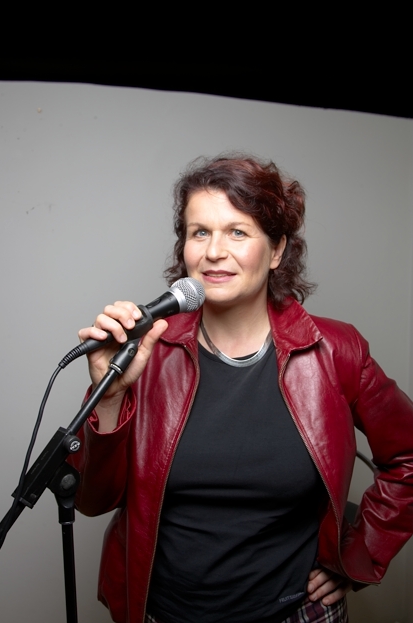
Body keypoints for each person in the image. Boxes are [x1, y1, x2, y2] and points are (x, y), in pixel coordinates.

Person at [73, 155, 413, 623]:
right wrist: (110, 395)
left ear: (276, 251)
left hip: (295, 613)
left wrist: (359, 555)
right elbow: (91, 501)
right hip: (163, 613)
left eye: (237, 232)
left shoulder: (335, 351)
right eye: (199, 232)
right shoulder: (147, 351)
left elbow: (408, 457)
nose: (214, 251)